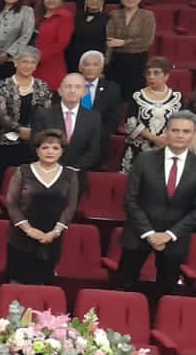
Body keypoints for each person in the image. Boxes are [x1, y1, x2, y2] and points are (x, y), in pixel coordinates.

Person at [113, 110, 196, 297]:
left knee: (167, 294)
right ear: (166, 132)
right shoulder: (145, 159)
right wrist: (149, 234)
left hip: (175, 238)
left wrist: (169, 235)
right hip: (139, 234)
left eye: (186, 131)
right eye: (175, 130)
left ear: (193, 135)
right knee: (122, 288)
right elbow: (130, 199)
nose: (180, 135)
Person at [3, 130, 78, 285]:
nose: (50, 152)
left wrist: (55, 232)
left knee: (42, 285)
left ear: (62, 151)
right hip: (21, 237)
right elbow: (11, 203)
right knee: (17, 283)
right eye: (45, 147)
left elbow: (70, 206)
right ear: (37, 150)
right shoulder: (23, 171)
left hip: (51, 237)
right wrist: (28, 230)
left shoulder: (70, 175)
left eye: (55, 148)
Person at [0, 47, 47, 171]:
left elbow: (46, 113)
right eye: (24, 61)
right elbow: (0, 113)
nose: (28, 66)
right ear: (16, 63)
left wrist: (32, 132)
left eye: (32, 62)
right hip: (5, 142)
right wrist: (19, 130)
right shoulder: (4, 84)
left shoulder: (42, 86)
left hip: (33, 142)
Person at [32, 74, 104, 171]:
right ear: (59, 91)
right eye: (68, 86)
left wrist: (75, 168)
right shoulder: (43, 114)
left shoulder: (94, 118)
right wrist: (57, 168)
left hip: (78, 172)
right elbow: (35, 144)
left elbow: (94, 150)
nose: (72, 90)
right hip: (48, 171)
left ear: (85, 92)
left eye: (77, 87)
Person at [123, 58, 185, 172]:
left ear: (166, 76)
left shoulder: (177, 97)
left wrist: (166, 139)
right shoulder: (137, 96)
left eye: (156, 73)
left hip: (168, 147)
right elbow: (130, 123)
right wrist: (154, 139)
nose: (151, 77)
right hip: (140, 149)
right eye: (148, 73)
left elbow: (183, 123)